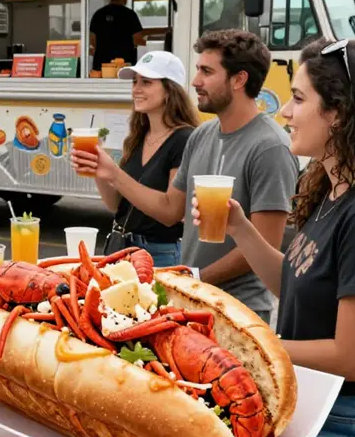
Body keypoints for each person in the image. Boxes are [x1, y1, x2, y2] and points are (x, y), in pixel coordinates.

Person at [192, 38, 355, 437]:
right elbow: (294, 284)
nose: (285, 113)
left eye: (298, 99)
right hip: (323, 412)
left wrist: (242, 345)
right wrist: (239, 227)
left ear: (342, 111)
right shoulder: (333, 191)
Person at [78, 29, 298, 322]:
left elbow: (264, 246)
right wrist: (110, 174)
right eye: (197, 70)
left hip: (237, 310)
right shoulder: (203, 135)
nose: (195, 81)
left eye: (207, 71)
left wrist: (194, 277)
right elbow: (170, 210)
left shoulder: (270, 147)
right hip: (194, 301)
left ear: (239, 80)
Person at [70, 51, 198, 266]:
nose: (136, 89)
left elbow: (170, 213)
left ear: (170, 90)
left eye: (146, 82)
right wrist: (99, 172)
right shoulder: (139, 136)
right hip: (122, 250)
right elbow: (115, 204)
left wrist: (115, 174)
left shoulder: (184, 138)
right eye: (135, 82)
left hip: (158, 255)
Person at [89, 0, 148, 70]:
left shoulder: (99, 14)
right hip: (124, 66)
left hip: (102, 66)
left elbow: (92, 40)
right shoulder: (130, 15)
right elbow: (137, 40)